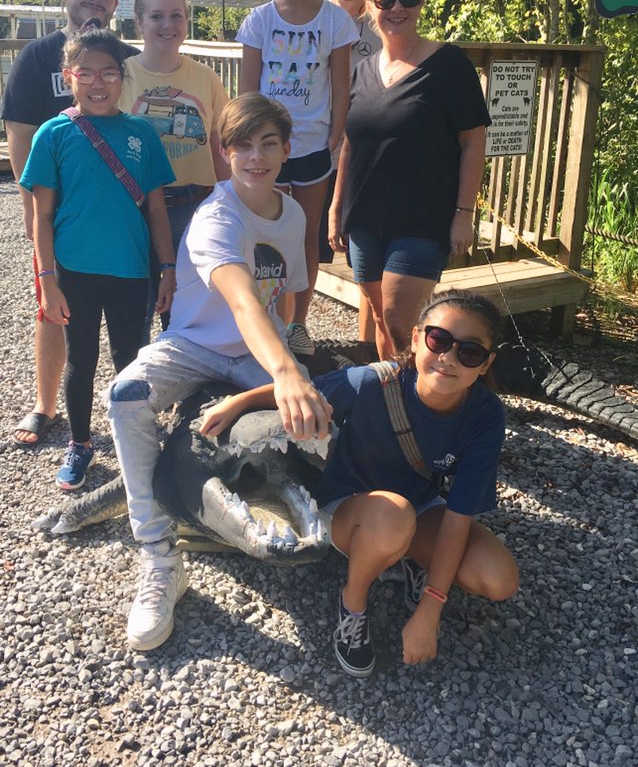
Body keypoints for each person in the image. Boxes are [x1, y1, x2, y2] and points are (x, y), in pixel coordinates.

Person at [106, 92, 332, 652]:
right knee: (125, 393)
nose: (257, 157)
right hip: (195, 344)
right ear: (224, 152)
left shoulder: (293, 212)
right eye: (244, 146)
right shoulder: (216, 215)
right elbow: (242, 301)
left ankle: (342, 517)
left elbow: (287, 293)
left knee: (325, 420)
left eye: (269, 144)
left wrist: (292, 346)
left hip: (259, 350)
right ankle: (159, 553)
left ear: (287, 150)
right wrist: (285, 372)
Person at [199, 289, 519, 676]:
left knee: (497, 579)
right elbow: (305, 393)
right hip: (350, 506)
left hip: (419, 507)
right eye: (439, 340)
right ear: (417, 338)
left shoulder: (485, 415)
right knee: (393, 517)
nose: (448, 358)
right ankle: (353, 603)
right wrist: (239, 401)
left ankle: (409, 560)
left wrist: (430, 608)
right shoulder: (372, 383)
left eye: (469, 352)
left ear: (486, 364)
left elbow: (458, 516)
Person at [19, 29, 175, 490]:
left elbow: (157, 210)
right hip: (74, 271)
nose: (97, 83)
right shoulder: (53, 133)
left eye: (108, 72)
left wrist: (168, 270)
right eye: (85, 73)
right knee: (80, 359)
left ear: (122, 77)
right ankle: (81, 443)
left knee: (131, 360)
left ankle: (134, 441)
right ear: (69, 76)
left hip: (130, 269)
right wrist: (47, 279)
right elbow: (42, 215)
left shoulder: (141, 133)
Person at [328, 0, 491, 359]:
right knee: (381, 320)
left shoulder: (449, 64)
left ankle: (424, 394)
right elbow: (350, 144)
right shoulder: (362, 70)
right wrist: (335, 208)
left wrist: (464, 214)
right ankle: (393, 392)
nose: (397, 7)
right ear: (370, 6)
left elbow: (473, 142)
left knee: (400, 321)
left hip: (423, 219)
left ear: (420, 4)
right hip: (365, 218)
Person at [2, 0, 128, 447]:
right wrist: (34, 209)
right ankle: (46, 404)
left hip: (116, 210)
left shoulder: (123, 57)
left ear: (115, 2)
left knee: (124, 314)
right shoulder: (38, 57)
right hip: (60, 212)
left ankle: (130, 406)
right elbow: (19, 135)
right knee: (52, 306)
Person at [237, 0, 359, 357]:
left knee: (305, 236)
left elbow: (341, 85)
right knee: (263, 235)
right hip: (265, 149)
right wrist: (246, 144)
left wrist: (336, 134)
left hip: (311, 146)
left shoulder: (336, 22)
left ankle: (297, 324)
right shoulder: (259, 20)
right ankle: (264, 321)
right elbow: (247, 91)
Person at [118, 0, 230, 340]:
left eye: (177, 15)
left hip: (194, 208)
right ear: (139, 21)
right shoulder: (121, 76)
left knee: (188, 316)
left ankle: (182, 377)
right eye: (156, 16)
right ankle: (133, 376)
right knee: (135, 313)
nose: (168, 25)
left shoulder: (205, 77)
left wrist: (232, 202)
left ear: (186, 19)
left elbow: (219, 144)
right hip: (136, 212)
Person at [319, 0, 379, 265]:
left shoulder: (387, 22)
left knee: (366, 263)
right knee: (307, 255)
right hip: (314, 157)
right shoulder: (310, 19)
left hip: (365, 162)